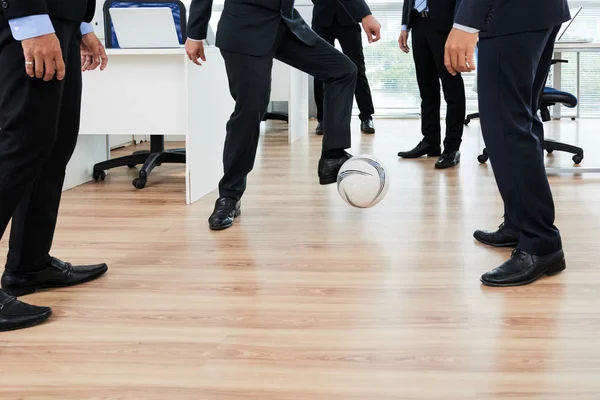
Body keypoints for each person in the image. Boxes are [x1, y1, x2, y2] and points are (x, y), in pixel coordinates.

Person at [185, 0, 382, 231]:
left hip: (286, 25)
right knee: (250, 110)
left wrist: (363, 14)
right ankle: (228, 196)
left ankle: (333, 155)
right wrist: (195, 34)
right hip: (243, 28)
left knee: (343, 71)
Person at [0, 0, 109, 331]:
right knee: (21, 143)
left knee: (54, 144)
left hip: (59, 17)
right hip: (29, 16)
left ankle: (29, 265)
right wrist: (28, 16)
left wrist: (80, 23)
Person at [445, 0, 570, 286]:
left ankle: (541, 243)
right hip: (532, 13)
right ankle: (519, 224)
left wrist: (467, 21)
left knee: (506, 127)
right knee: (522, 118)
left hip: (509, 15)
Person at [397, 0, 466, 169]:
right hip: (418, 23)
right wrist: (404, 26)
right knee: (426, 88)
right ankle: (431, 141)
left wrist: (462, 28)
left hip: (446, 27)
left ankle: (452, 147)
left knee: (452, 89)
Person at [311, 0, 376, 135]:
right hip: (322, 18)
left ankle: (366, 116)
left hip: (349, 18)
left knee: (357, 68)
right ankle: (322, 119)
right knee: (320, 70)